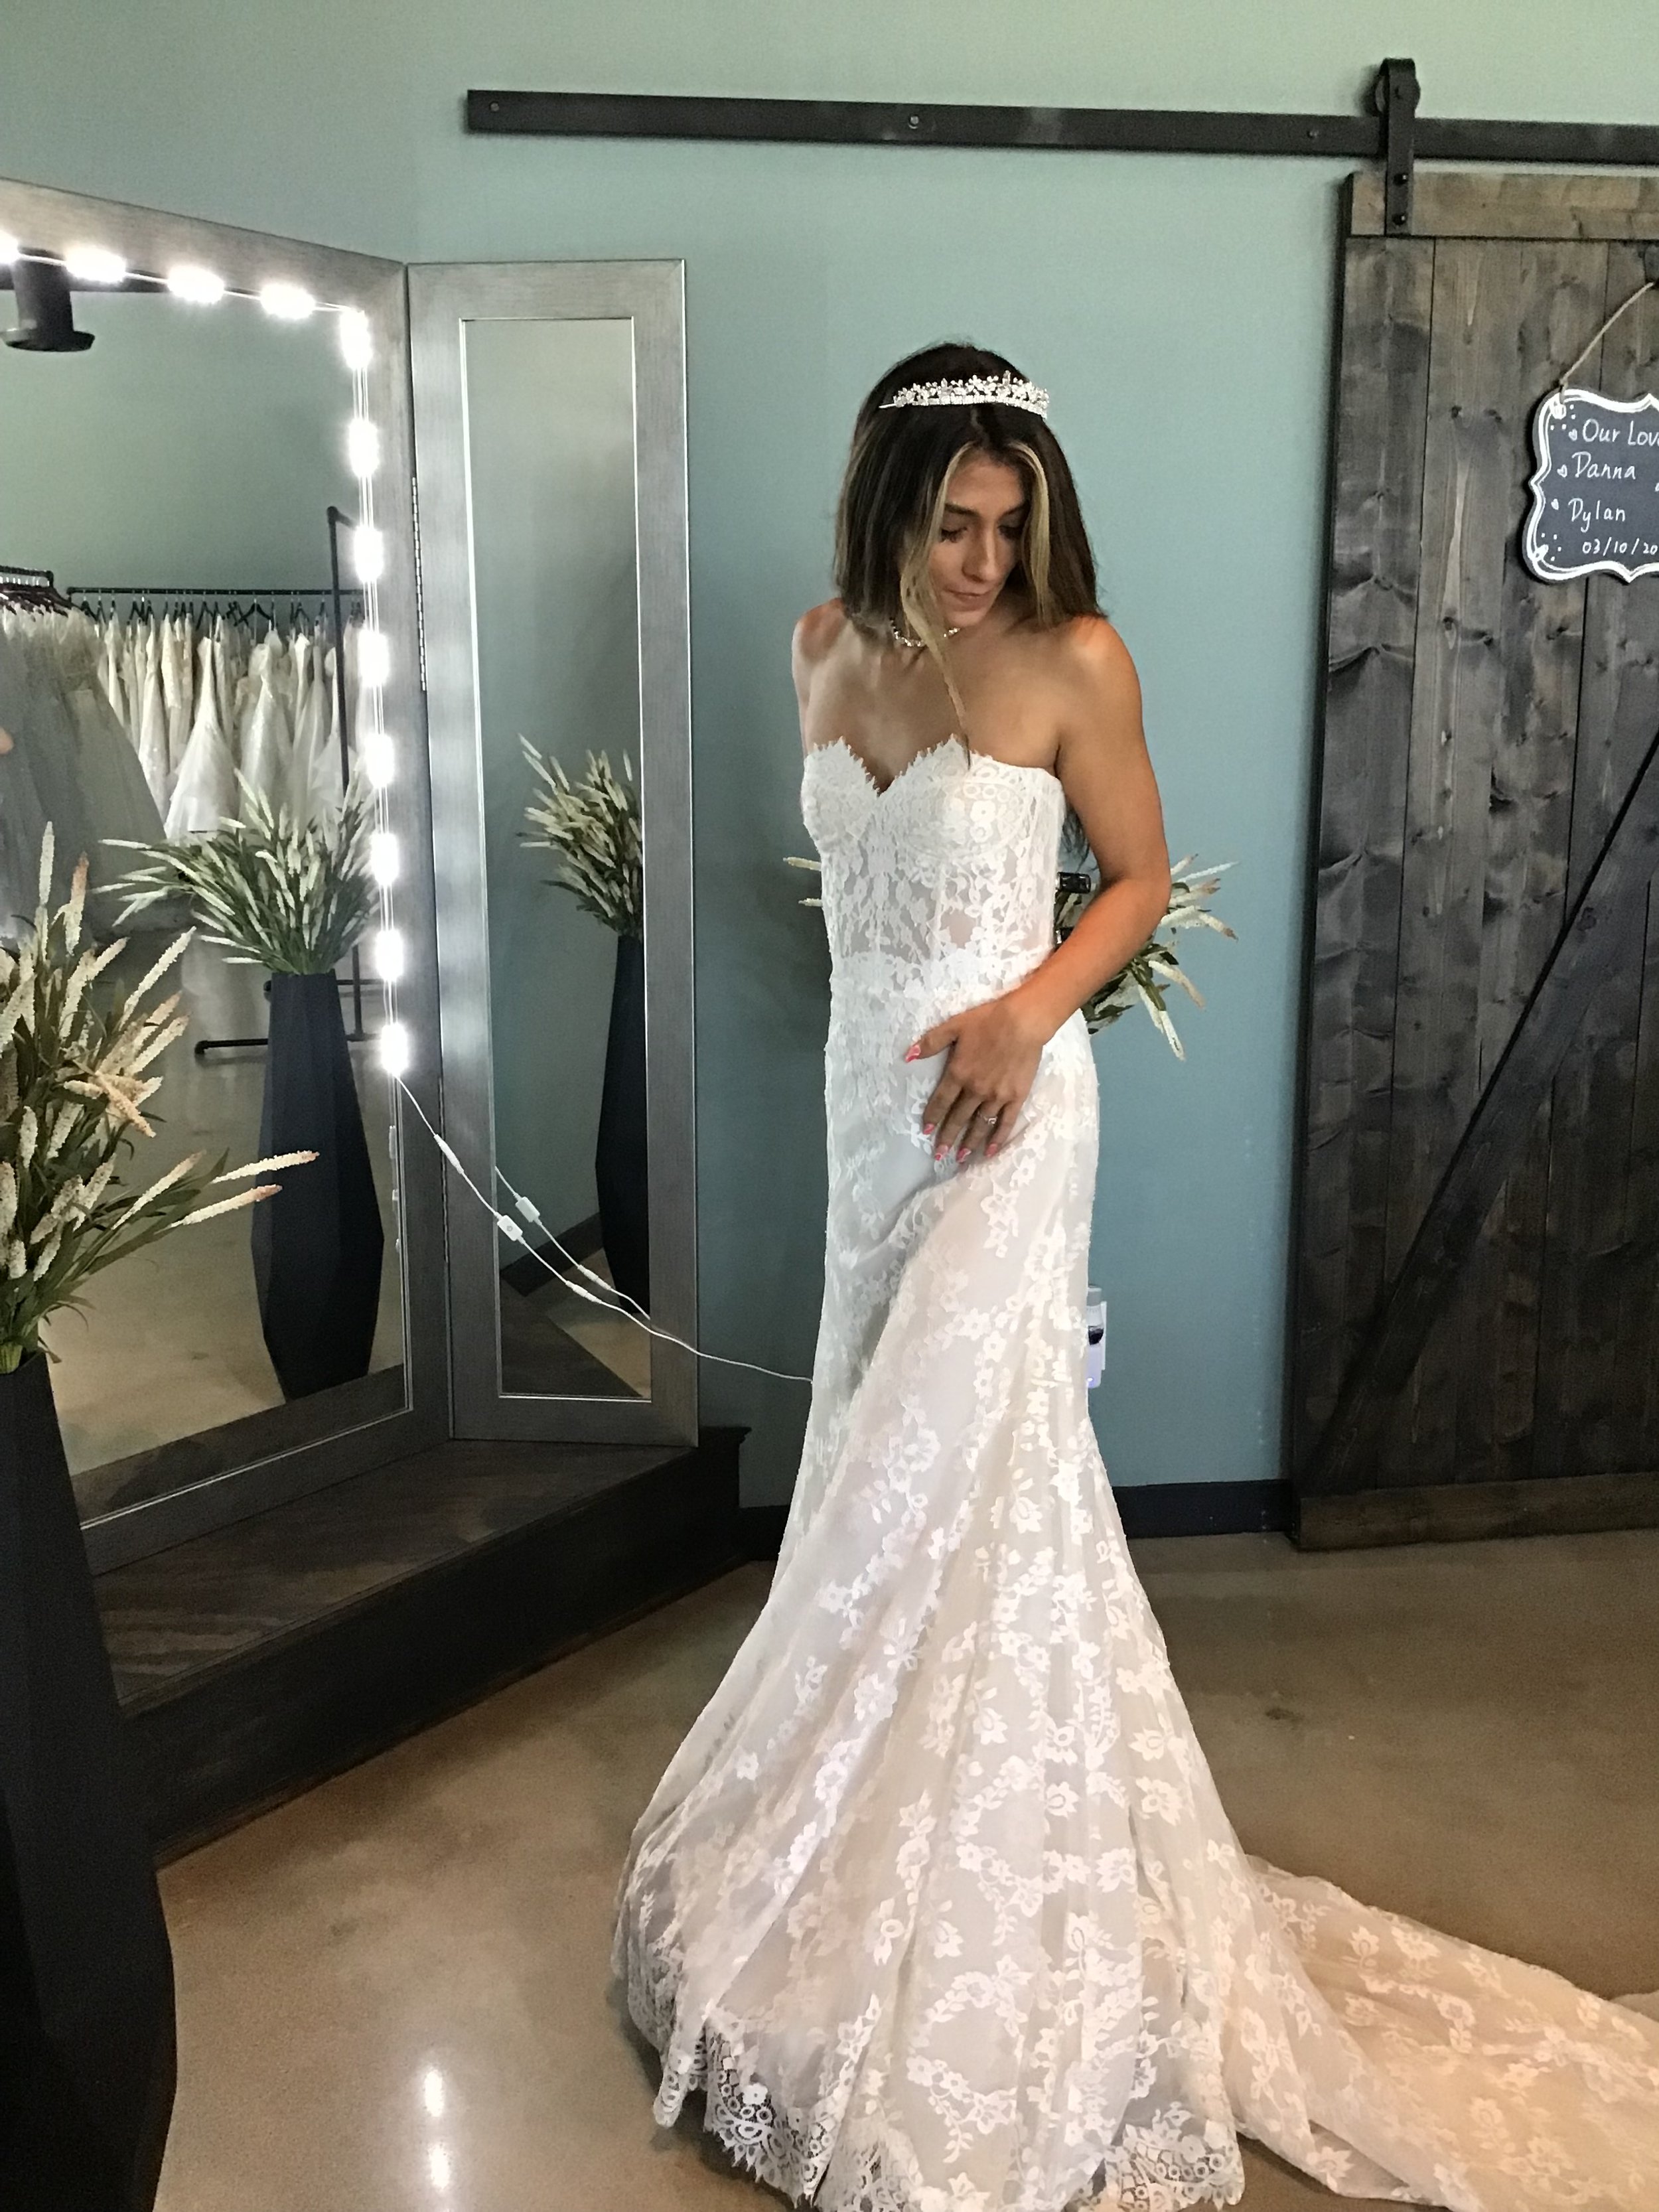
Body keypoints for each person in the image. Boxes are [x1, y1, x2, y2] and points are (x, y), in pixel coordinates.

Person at [613, 342, 1659, 2211]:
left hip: (1009, 1115)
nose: (981, 566)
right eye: (951, 525)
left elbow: (1138, 877)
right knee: (871, 1474)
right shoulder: (815, 649)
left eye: (1010, 528)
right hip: (869, 1124)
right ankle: (861, 1841)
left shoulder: (1072, 661)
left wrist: (1021, 1012)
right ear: (888, 505)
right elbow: (858, 922)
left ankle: (993, 1896)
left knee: (967, 1474)